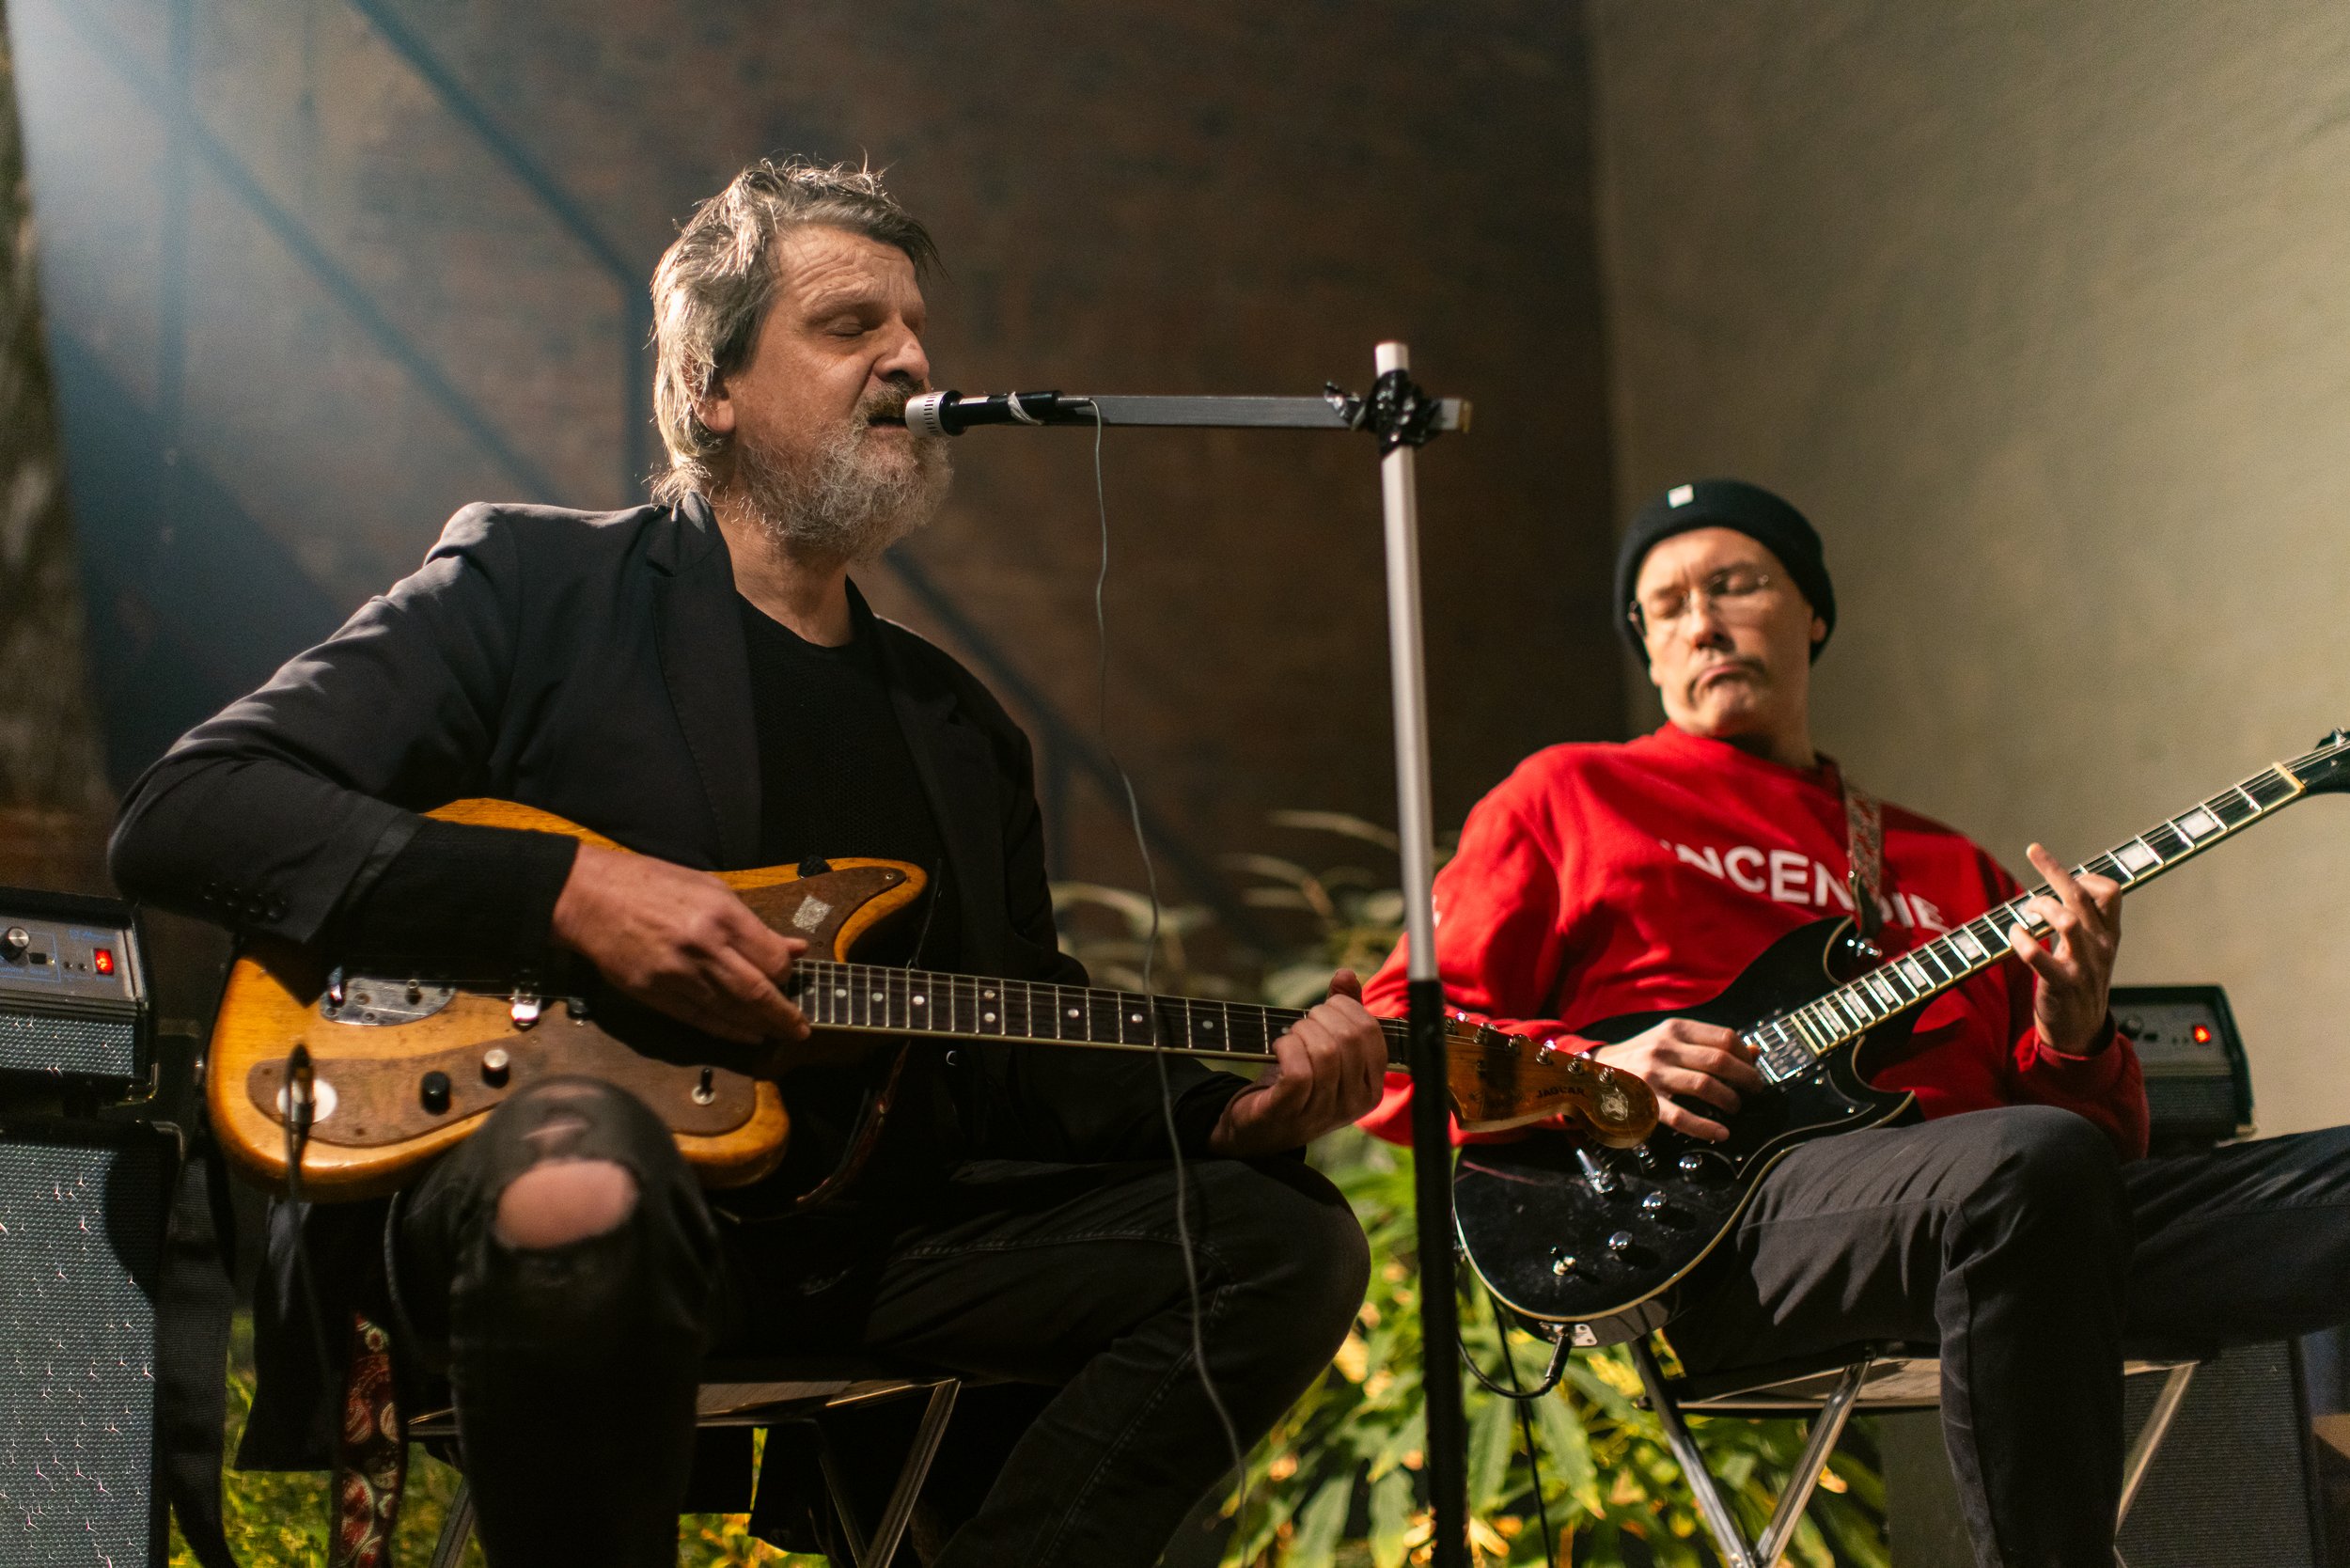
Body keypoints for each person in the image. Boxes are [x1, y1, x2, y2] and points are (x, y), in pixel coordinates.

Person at [111, 158, 1383, 1568]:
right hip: (531, 1206)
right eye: (850, 326)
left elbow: (1020, 1043)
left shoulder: (958, 730)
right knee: (586, 1170)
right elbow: (194, 807)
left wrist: (1226, 1117)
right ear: (712, 385)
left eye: (914, 331)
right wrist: (575, 895)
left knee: (1282, 1241)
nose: (907, 358)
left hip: (854, 1247)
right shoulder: (536, 591)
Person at [1359, 478, 2350, 1568]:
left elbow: (2090, 1149)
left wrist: (2072, 1030)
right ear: (1644, 649)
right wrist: (1594, 1066)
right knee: (2024, 1167)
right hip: (1726, 1230)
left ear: (1812, 613)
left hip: (2020, 1227)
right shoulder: (1570, 796)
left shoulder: (1940, 861)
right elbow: (1395, 1043)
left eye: (1735, 585)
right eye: (1666, 605)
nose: (1702, 621)